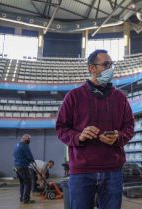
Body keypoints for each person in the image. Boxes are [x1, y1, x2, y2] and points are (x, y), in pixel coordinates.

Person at [56, 49, 135, 209]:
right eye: (106, 64)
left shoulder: (120, 98)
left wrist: (118, 137)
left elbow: (129, 127)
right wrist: (79, 136)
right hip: (82, 171)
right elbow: (61, 129)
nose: (110, 68)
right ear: (91, 68)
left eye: (111, 64)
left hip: (113, 169)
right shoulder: (74, 96)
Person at [13, 134, 35, 204]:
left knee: (22, 183)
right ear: (25, 139)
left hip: (17, 166)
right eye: (28, 140)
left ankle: (22, 198)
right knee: (28, 183)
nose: (29, 141)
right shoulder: (24, 145)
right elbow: (29, 155)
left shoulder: (16, 145)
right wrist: (32, 160)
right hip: (23, 167)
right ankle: (26, 199)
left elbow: (14, 154)